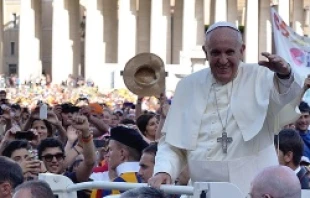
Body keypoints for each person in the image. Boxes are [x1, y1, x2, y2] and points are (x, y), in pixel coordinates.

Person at [148, 21, 304, 195]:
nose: (223, 60)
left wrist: (285, 74)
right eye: (215, 53)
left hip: (253, 191)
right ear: (205, 52)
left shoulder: (262, 76)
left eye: (229, 52)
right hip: (203, 190)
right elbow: (173, 144)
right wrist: (164, 170)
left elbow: (286, 96)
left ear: (242, 50)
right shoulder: (187, 86)